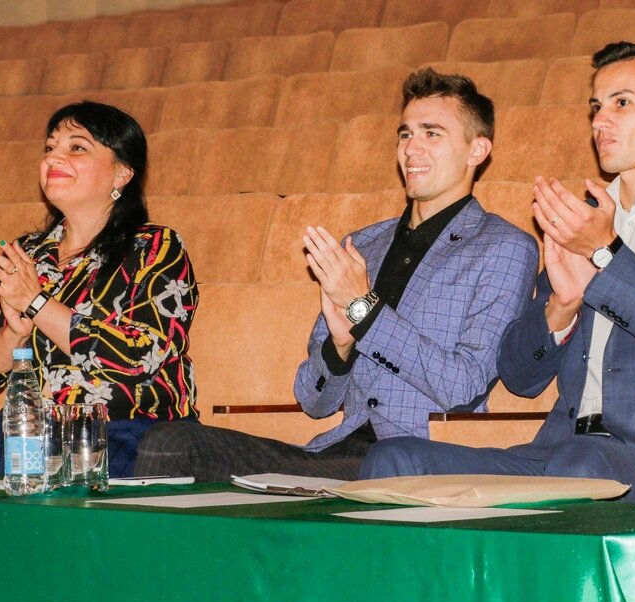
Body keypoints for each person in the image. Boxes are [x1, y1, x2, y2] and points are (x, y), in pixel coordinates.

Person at [359, 42, 635, 503]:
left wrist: (607, 255)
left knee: (581, 467)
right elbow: (520, 377)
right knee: (395, 462)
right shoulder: (581, 219)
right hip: (560, 450)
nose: (600, 121)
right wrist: (560, 310)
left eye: (622, 103)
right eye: (596, 107)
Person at [133, 68, 538, 481]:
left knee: (327, 476)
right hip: (336, 450)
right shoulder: (363, 245)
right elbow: (314, 401)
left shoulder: (504, 247)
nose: (411, 149)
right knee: (170, 443)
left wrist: (367, 312)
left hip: (416, 458)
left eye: (431, 134)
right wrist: (339, 348)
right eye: (405, 134)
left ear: (477, 150)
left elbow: (464, 385)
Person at [0, 101, 199, 477]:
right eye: (50, 148)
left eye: (77, 147)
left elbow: (139, 356)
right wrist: (14, 335)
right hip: (29, 436)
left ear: (122, 173)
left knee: (64, 488)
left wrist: (36, 302)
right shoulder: (26, 255)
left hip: (127, 434)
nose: (53, 158)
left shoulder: (155, 247)